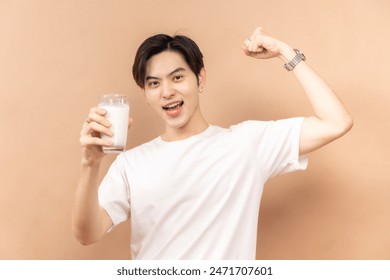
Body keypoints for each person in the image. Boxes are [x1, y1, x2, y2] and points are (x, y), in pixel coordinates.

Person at [72, 27, 353, 259]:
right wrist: (90, 164)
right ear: (145, 93)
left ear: (200, 78)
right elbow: (87, 234)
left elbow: (336, 122)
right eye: (154, 84)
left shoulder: (246, 145)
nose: (167, 92)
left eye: (178, 77)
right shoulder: (131, 164)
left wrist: (285, 52)